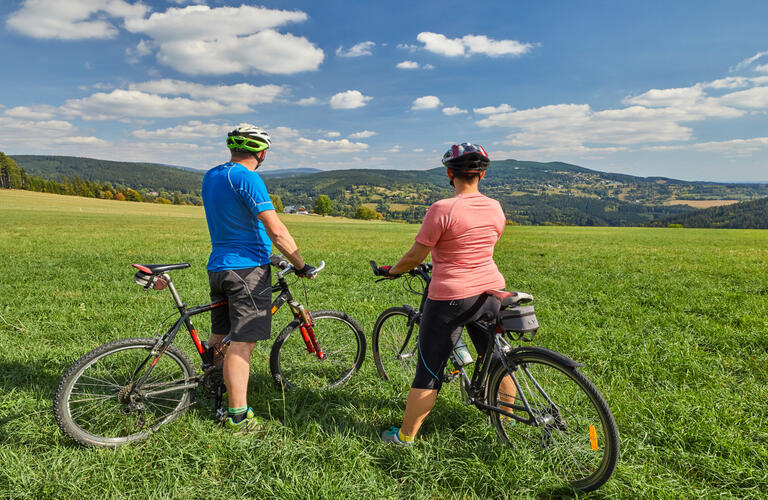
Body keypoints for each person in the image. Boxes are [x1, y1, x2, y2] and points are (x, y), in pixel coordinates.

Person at [377, 142, 509, 446]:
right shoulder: (495, 207)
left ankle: (405, 437)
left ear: (449, 173)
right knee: (497, 360)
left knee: (429, 369)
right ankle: (504, 420)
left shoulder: (442, 209)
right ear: (482, 175)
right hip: (491, 291)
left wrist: (392, 271)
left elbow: (415, 256)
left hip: (451, 297)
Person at [202, 124, 316, 433]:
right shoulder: (249, 178)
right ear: (262, 153)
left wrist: (270, 255)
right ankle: (238, 416)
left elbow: (235, 224)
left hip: (219, 266)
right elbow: (276, 230)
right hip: (247, 271)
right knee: (243, 344)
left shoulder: (211, 175)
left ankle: (212, 387)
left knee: (221, 334)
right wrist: (300, 264)